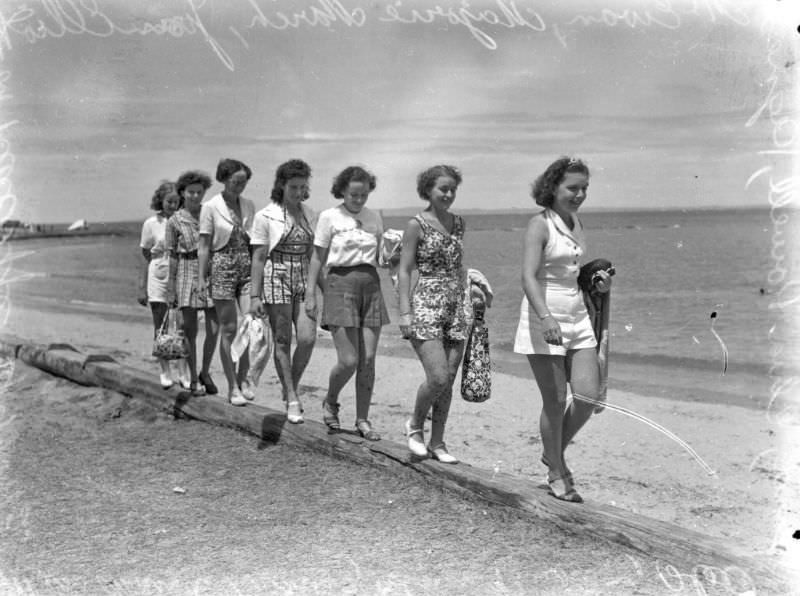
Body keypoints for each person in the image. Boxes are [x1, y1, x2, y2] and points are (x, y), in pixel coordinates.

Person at [513, 156, 612, 503]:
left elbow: (574, 270)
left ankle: (552, 452)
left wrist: (596, 282)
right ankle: (556, 468)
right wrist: (545, 318)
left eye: (584, 188)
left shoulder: (576, 221)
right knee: (555, 401)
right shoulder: (538, 225)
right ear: (553, 187)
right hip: (545, 314)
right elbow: (528, 276)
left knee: (587, 395)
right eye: (573, 188)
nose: (580, 194)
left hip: (577, 314)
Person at [305, 166, 389, 441]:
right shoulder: (329, 217)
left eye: (364, 194)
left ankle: (362, 419)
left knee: (368, 359)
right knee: (349, 360)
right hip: (339, 284)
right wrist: (310, 294)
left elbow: (382, 257)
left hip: (371, 284)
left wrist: (393, 255)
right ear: (342, 190)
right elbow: (317, 258)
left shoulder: (374, 217)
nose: (359, 199)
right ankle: (331, 400)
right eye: (354, 194)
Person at [397, 165, 468, 464]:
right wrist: (404, 313)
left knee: (448, 379)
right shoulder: (416, 224)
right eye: (443, 188)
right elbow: (404, 269)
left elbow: (459, 266)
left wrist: (473, 292)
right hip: (426, 302)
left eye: (453, 189)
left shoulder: (459, 223)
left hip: (456, 305)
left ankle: (438, 441)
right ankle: (415, 426)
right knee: (437, 377)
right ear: (428, 190)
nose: (449, 194)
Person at [249, 159, 317, 424]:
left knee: (309, 338)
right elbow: (257, 257)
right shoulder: (265, 216)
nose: (298, 192)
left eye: (302, 187)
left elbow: (314, 256)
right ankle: (291, 397)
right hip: (275, 276)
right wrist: (255, 296)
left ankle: (290, 385)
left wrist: (318, 289)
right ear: (281, 185)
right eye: (293, 187)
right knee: (282, 340)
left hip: (302, 277)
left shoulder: (310, 213)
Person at [198, 158, 256, 406]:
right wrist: (201, 278)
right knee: (230, 330)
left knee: (251, 327)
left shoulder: (249, 205)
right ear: (224, 179)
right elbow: (203, 246)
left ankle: (243, 378)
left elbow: (256, 242)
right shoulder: (211, 207)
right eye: (235, 182)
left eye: (243, 182)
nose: (239, 186)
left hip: (246, 268)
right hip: (221, 268)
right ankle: (232, 387)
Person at [165, 170, 221, 396]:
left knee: (215, 328)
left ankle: (205, 371)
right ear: (182, 193)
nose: (196, 197)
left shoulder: (211, 214)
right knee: (190, 331)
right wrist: (171, 286)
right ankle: (192, 378)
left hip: (210, 271)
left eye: (200, 192)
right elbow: (171, 255)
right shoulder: (174, 221)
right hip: (186, 271)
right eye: (191, 192)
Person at [139, 180, 184, 389]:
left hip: (180, 272)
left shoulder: (185, 220)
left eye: (176, 201)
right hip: (157, 274)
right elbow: (145, 254)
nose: (172, 205)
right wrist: (142, 286)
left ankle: (183, 372)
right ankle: (165, 370)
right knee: (160, 325)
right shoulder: (151, 223)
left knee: (182, 325)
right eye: (169, 201)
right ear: (161, 201)